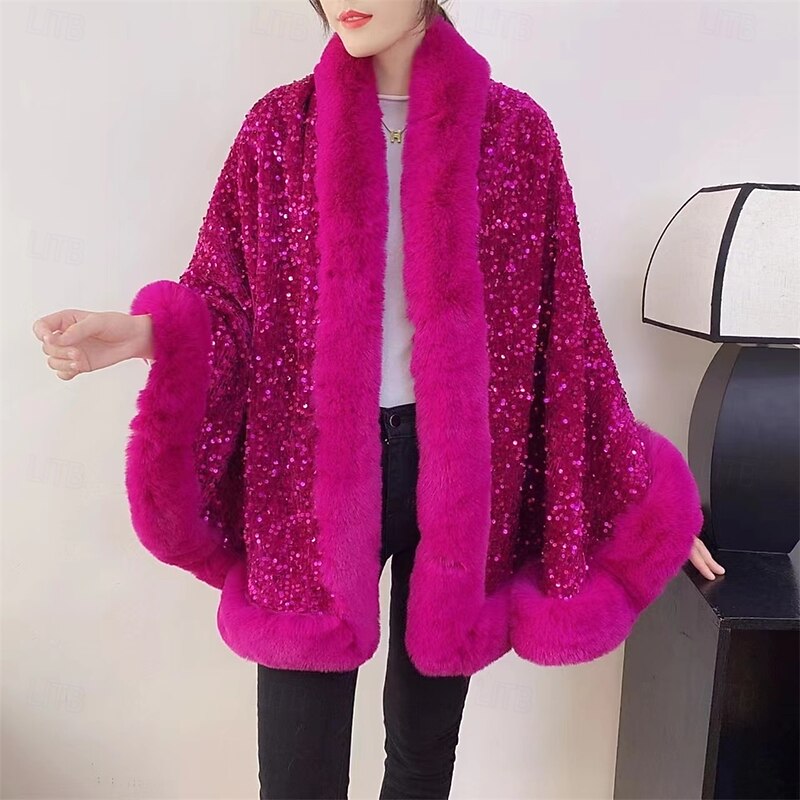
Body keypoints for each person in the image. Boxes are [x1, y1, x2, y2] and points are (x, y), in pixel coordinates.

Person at [32, 2, 726, 798]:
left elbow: (564, 330)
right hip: (310, 478)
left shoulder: (516, 136)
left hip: (460, 484)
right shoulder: (277, 132)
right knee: (297, 773)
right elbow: (227, 303)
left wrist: (642, 504)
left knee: (423, 761)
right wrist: (148, 333)